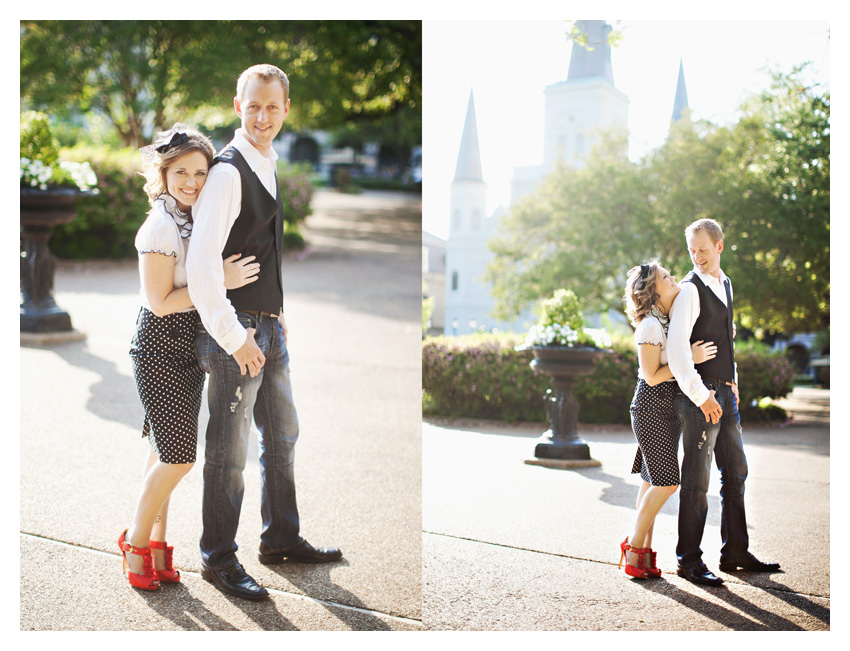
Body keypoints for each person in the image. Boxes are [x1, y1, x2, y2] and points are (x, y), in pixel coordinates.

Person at [186, 63, 341, 601]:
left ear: (286, 111)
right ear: (237, 106)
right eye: (253, 105)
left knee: (282, 437)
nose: (262, 116)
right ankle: (218, 558)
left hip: (269, 326)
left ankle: (280, 538)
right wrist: (235, 336)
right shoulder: (229, 171)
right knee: (229, 451)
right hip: (238, 335)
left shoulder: (268, 162)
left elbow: (261, 250)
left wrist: (276, 312)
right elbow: (203, 265)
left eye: (273, 106)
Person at [121, 125, 259, 590]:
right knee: (179, 457)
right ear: (163, 173)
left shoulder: (192, 218)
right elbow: (159, 301)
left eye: (201, 172)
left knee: (162, 449)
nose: (192, 182)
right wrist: (217, 280)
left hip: (188, 347)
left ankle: (158, 546)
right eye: (181, 171)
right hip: (159, 347)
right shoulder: (160, 226)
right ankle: (135, 542)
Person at [667, 218, 780, 586]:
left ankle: (735, 552)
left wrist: (733, 381)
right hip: (700, 396)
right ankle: (688, 559)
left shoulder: (726, 283)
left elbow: (725, 338)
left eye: (703, 249)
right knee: (696, 481)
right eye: (691, 250)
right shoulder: (688, 290)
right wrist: (702, 397)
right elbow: (678, 351)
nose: (697, 257)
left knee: (735, 474)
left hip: (724, 392)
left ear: (719, 246)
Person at [619, 261, 717, 579]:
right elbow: (650, 376)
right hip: (650, 407)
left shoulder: (665, 319)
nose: (672, 277)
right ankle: (633, 547)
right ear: (652, 290)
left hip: (664, 408)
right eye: (665, 277)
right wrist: (689, 357)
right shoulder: (649, 325)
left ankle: (642, 552)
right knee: (667, 482)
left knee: (650, 480)